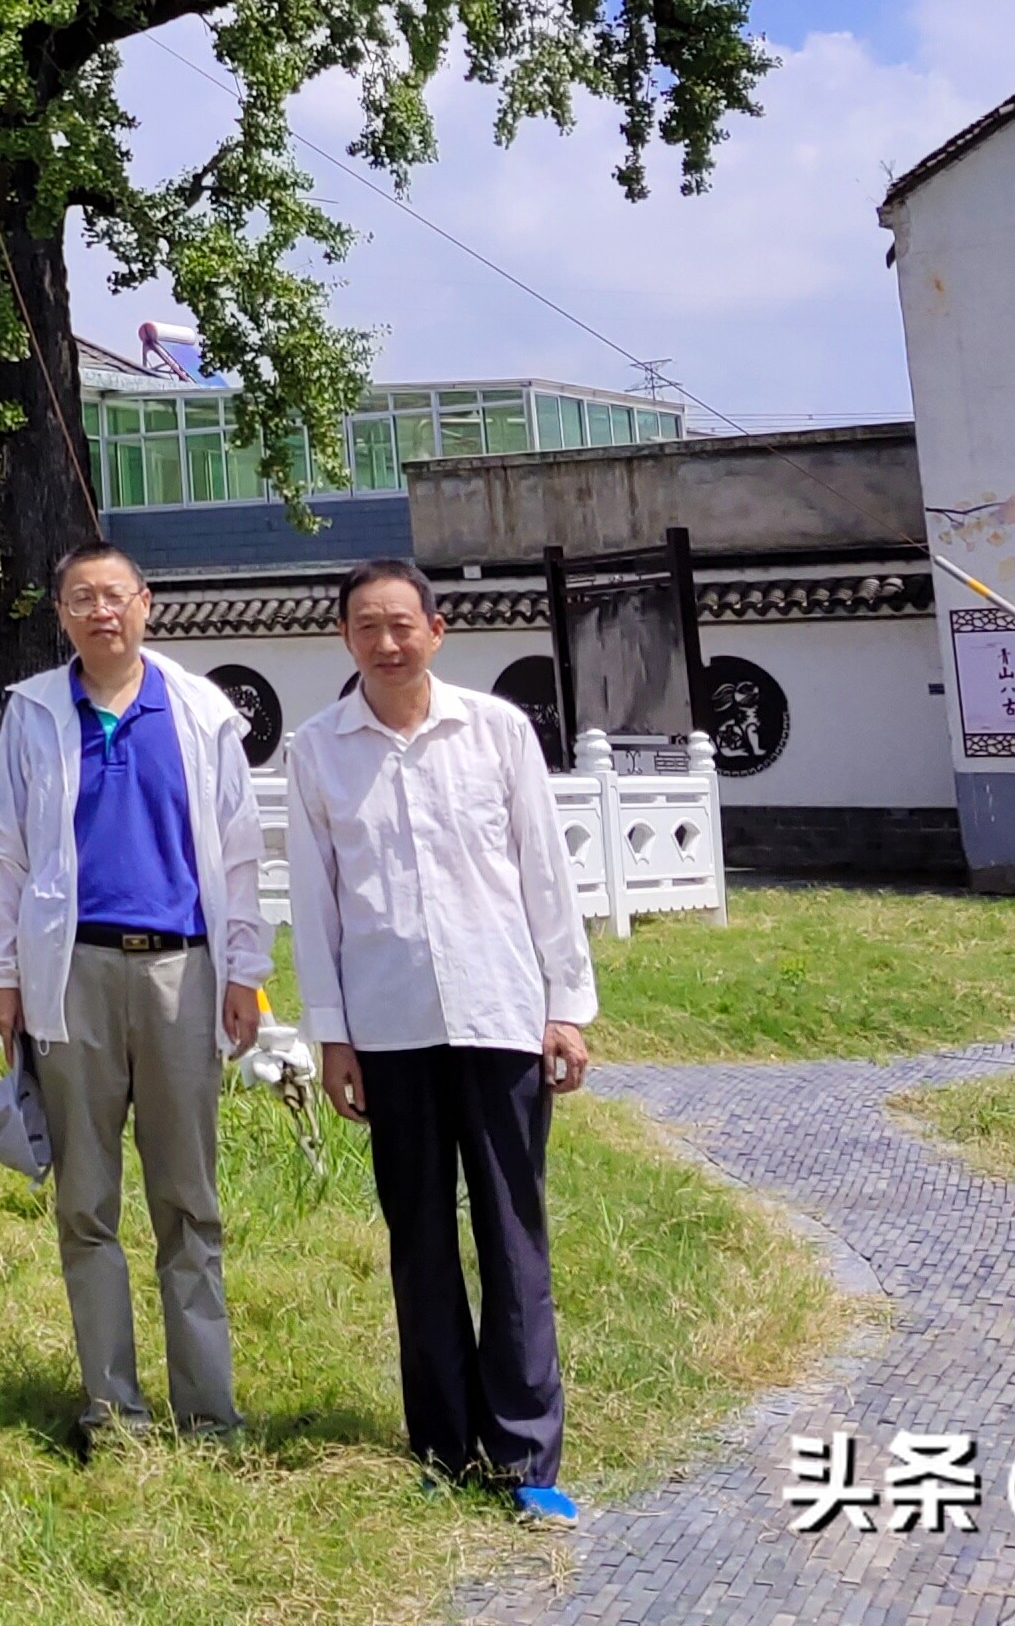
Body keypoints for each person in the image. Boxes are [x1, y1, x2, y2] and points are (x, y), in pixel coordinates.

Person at [283, 555, 601, 1525]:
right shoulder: (317, 751)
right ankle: (441, 1443)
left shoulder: (495, 731)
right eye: (366, 627)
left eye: (401, 624)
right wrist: (331, 1037)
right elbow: (315, 905)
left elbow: (544, 875)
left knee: (512, 1233)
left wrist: (565, 1006)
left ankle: (524, 1452)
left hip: (501, 1014)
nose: (386, 643)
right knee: (418, 1238)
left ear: (436, 629)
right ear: (344, 637)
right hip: (389, 1028)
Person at [0, 540, 272, 1438]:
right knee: (86, 1199)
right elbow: (3, 852)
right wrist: (0, 975)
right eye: (81, 599)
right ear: (60, 614)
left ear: (146, 603)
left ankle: (208, 1411)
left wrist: (246, 974)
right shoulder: (34, 712)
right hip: (74, 971)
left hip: (185, 968)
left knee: (188, 1199)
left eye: (114, 596)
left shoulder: (201, 711)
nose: (100, 612)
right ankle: (113, 1407)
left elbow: (241, 852)